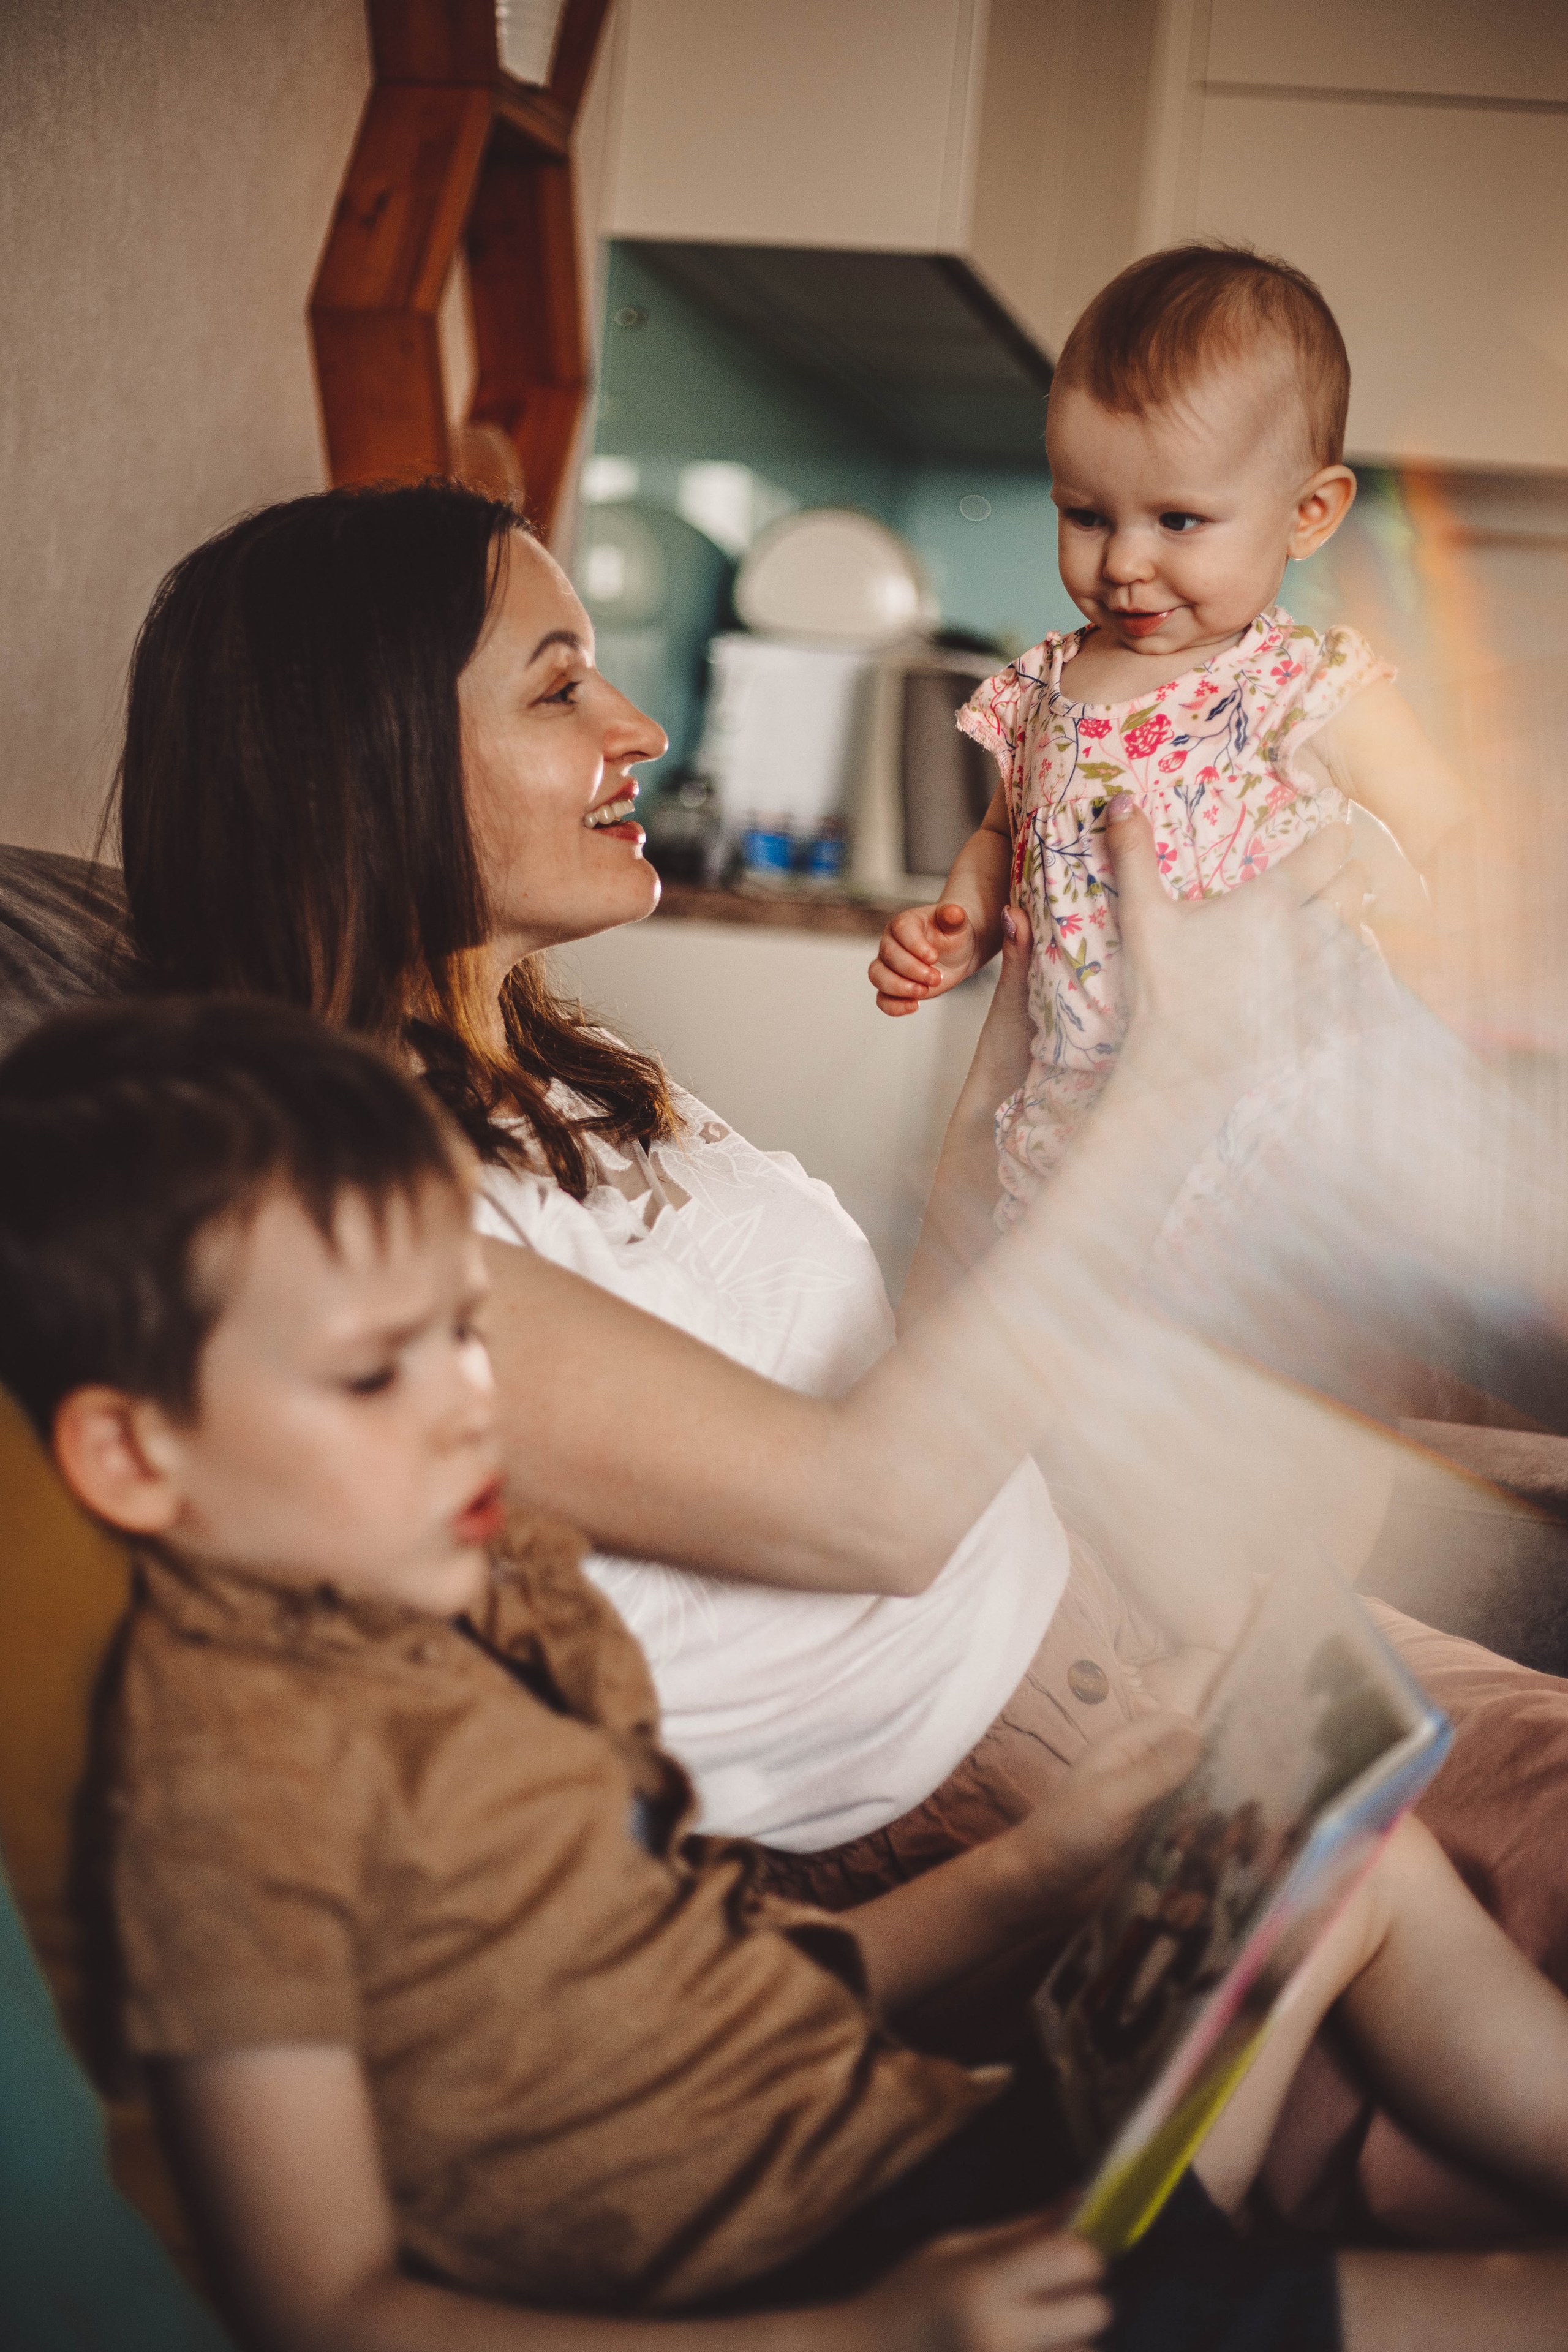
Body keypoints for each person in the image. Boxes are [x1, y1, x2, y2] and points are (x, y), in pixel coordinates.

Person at [106, 482, 1568, 2231]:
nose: (638, 725)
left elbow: (948, 1319)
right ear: (363, 755)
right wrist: (1177, 1080)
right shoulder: (348, 1226)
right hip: (998, 1811)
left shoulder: (583, 1086)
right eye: (558, 686)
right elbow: (868, 1513)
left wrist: (1062, 967)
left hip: (1180, 1635)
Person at [4, 994, 1568, 2352]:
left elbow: (711, 2008)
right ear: (134, 1457)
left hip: (938, 2156)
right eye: (371, 1373)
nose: (468, 1409)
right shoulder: (223, 1789)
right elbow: (329, 2312)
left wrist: (1044, 1871)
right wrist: (863, 2338)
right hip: (836, 2285)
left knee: (1345, 1867)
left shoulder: (481, 1615)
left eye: (459, 1337)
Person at [867, 243, 1471, 1229]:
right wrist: (958, 929)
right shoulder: (1042, 690)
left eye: (1179, 520)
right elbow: (1000, 837)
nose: (1127, 563)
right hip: (1081, 1111)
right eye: (1087, 515)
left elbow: (1451, 829)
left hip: (1276, 1099)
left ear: (1308, 514)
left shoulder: (1301, 683)